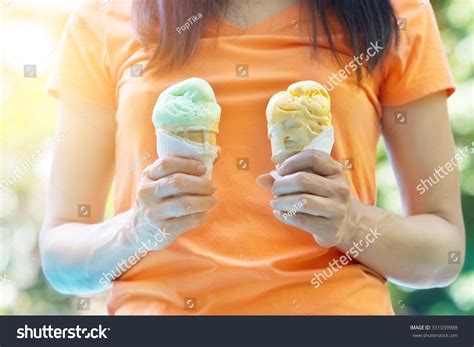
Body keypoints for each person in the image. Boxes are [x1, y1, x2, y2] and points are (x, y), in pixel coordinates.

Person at [40, 0, 465, 315]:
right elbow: (61, 260)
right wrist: (137, 230)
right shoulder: (103, 18)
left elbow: (444, 250)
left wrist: (350, 222)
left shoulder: (395, 11)